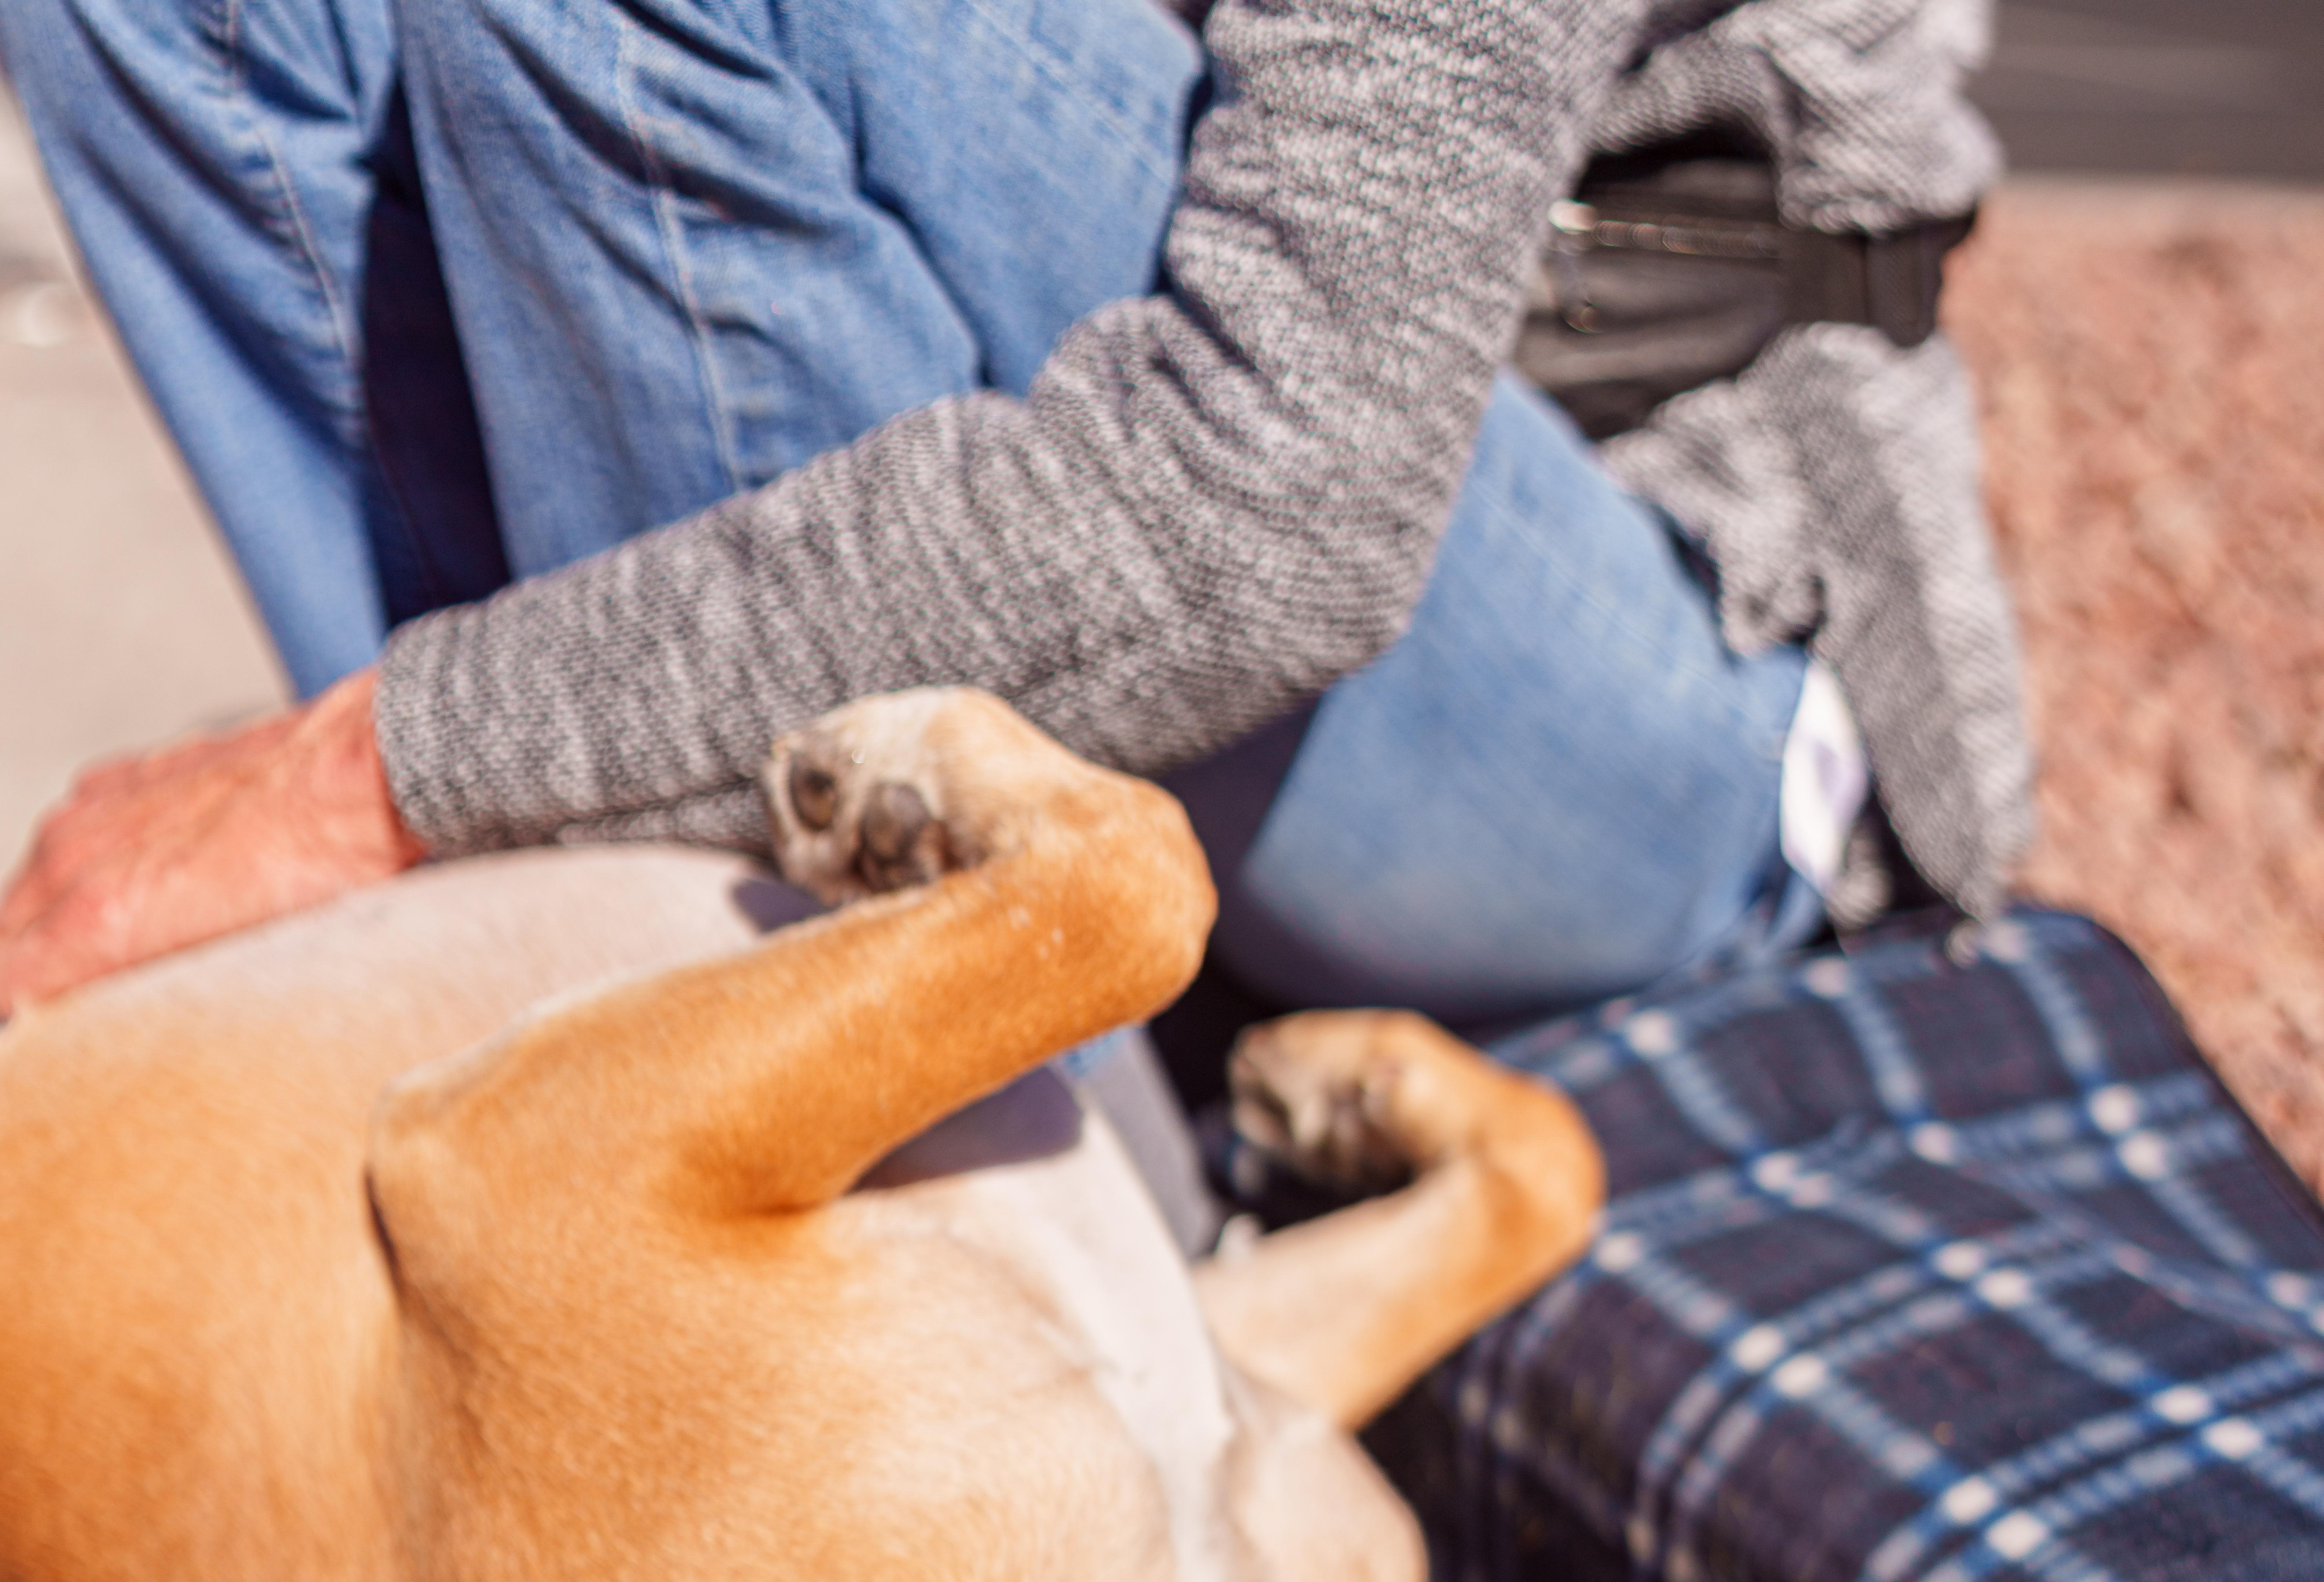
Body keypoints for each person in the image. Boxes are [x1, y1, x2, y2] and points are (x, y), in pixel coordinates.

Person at [0, 0, 2031, 1034]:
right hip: (1285, 560)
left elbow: (1269, 510)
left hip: (1691, 684)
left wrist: (364, 775)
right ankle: (566, 982)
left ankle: (827, 1079)